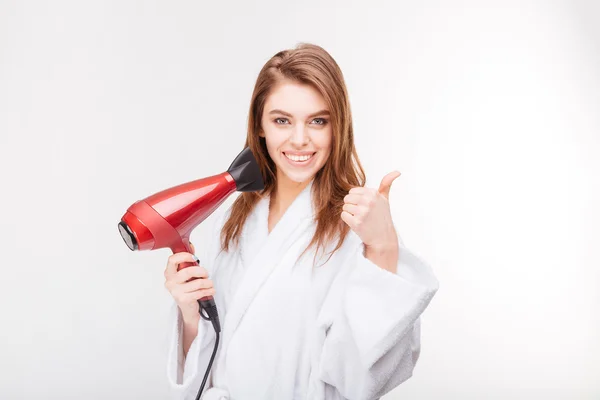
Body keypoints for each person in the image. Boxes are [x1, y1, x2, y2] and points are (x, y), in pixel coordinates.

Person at [162, 43, 439, 400]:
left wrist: (383, 247)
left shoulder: (359, 228)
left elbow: (362, 381)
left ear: (338, 127)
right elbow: (210, 362)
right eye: (281, 120)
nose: (299, 140)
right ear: (260, 125)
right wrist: (189, 311)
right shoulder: (231, 222)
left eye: (318, 121)